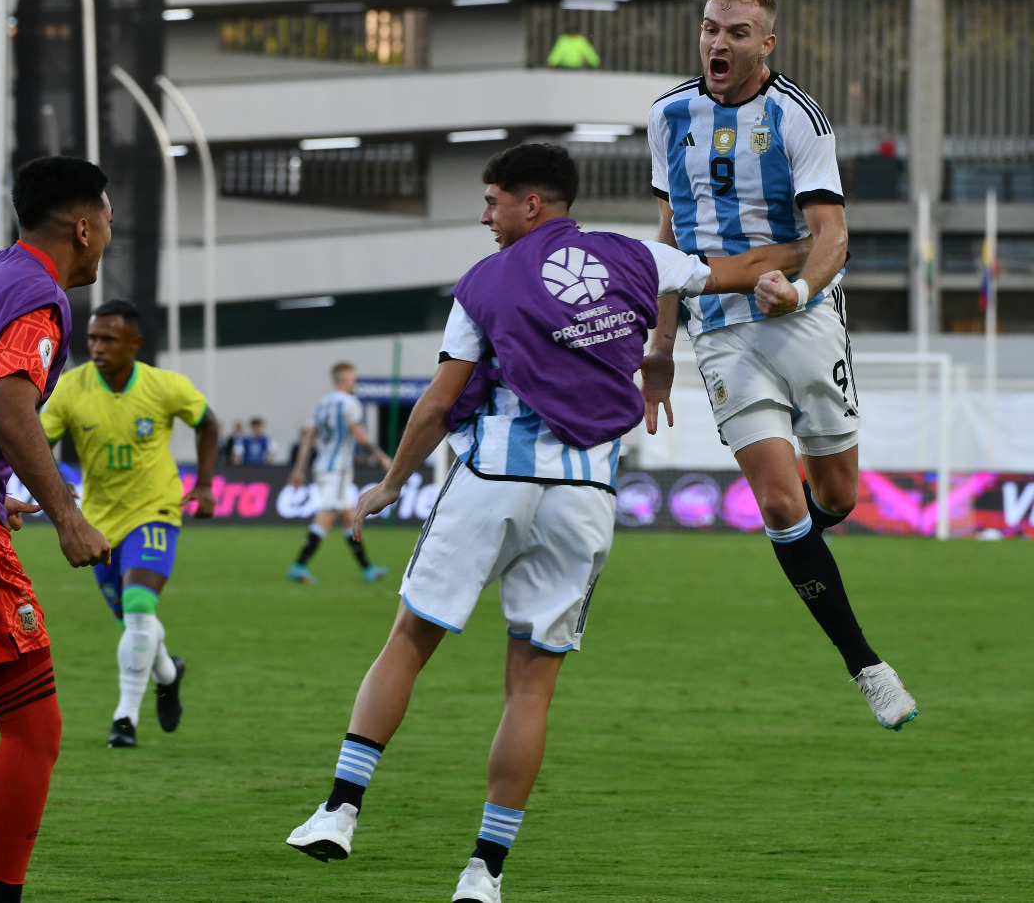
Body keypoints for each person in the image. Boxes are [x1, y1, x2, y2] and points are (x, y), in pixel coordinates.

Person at [284, 143, 809, 903]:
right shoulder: (636, 256)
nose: (484, 216)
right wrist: (813, 244)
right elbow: (729, 270)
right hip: (586, 494)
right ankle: (483, 873)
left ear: (532, 205)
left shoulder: (484, 282)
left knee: (411, 637)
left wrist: (390, 484)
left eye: (493, 201)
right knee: (530, 689)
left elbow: (437, 403)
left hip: (494, 476)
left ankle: (339, 811)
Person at [641, 0, 916, 729]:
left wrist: (796, 290)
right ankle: (867, 666)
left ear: (767, 42)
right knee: (777, 500)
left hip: (803, 317)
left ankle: (801, 554)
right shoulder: (668, 115)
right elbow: (668, 242)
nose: (717, 43)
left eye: (734, 33)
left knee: (836, 497)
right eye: (709, 28)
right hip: (721, 331)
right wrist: (660, 346)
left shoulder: (799, 118)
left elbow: (831, 235)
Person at [0, 155, 114, 902]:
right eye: (109, 225)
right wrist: (67, 514)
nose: (108, 240)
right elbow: (10, 408)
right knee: (34, 727)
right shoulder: (39, 296)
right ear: (85, 228)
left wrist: (0, 492)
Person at [40, 299, 219, 748]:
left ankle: (125, 719)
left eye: (109, 340)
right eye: (93, 339)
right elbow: (36, 441)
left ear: (134, 344)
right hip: (97, 522)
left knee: (139, 604)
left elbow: (208, 423)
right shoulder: (70, 388)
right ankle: (168, 673)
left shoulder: (164, 387)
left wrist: (205, 484)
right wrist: (43, 488)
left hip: (155, 511)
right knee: (135, 626)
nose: (98, 348)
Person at [287, 364, 392, 583]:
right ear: (344, 379)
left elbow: (308, 438)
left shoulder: (321, 404)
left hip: (322, 467)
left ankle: (368, 569)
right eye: (353, 378)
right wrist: (382, 457)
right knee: (328, 513)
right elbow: (361, 438)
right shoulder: (350, 403)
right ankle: (299, 565)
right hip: (338, 469)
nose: (355, 382)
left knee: (348, 517)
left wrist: (299, 469)